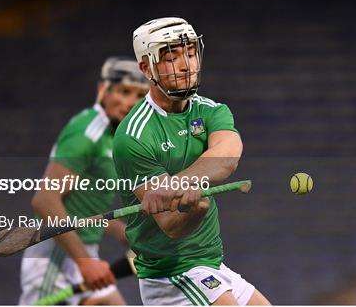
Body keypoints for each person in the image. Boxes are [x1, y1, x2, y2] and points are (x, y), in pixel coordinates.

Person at [113, 17, 271, 305]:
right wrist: (195, 206)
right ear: (146, 68)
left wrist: (178, 184)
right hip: (171, 275)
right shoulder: (133, 136)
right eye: (171, 57)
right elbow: (173, 227)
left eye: (190, 52)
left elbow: (227, 157)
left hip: (210, 264)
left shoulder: (211, 111)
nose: (186, 65)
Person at [19, 57, 149, 305]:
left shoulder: (114, 136)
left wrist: (120, 230)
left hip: (82, 250)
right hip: (57, 255)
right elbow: (45, 201)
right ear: (103, 90)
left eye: (139, 96)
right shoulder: (88, 132)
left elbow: (82, 202)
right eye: (123, 92)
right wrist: (86, 263)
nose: (130, 102)